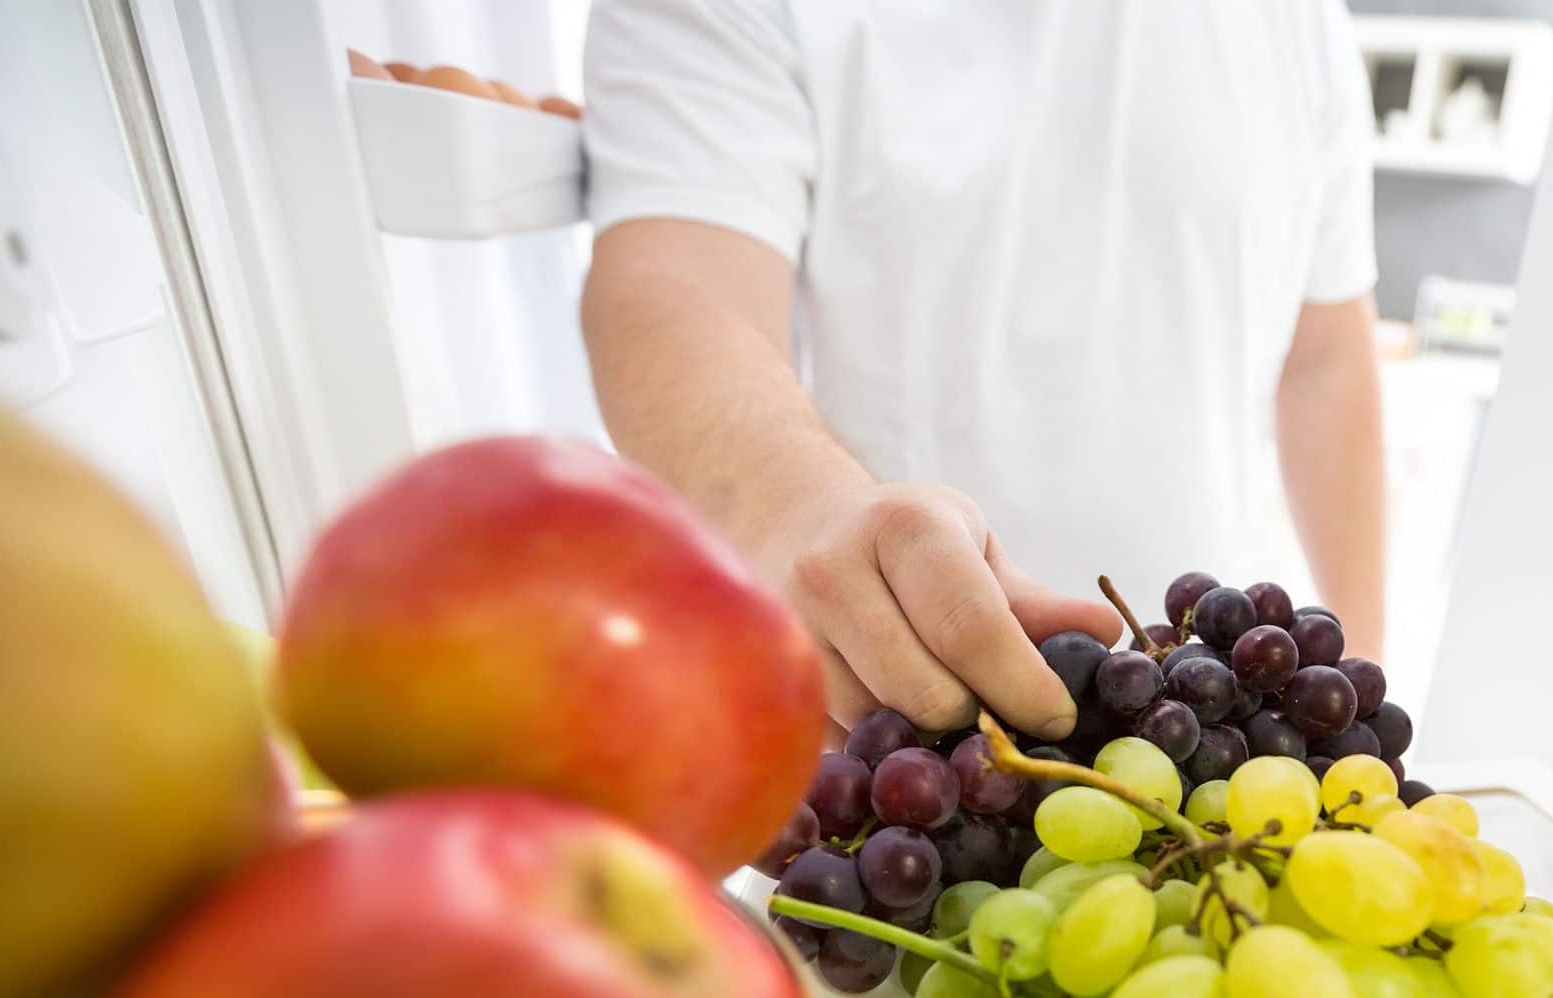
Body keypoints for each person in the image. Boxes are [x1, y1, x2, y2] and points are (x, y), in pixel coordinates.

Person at [579, 0, 1387, 742]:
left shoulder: (1299, 20)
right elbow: (676, 292)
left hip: (1215, 756)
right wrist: (799, 510)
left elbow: (1323, 362)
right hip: (898, 747)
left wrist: (1349, 703)